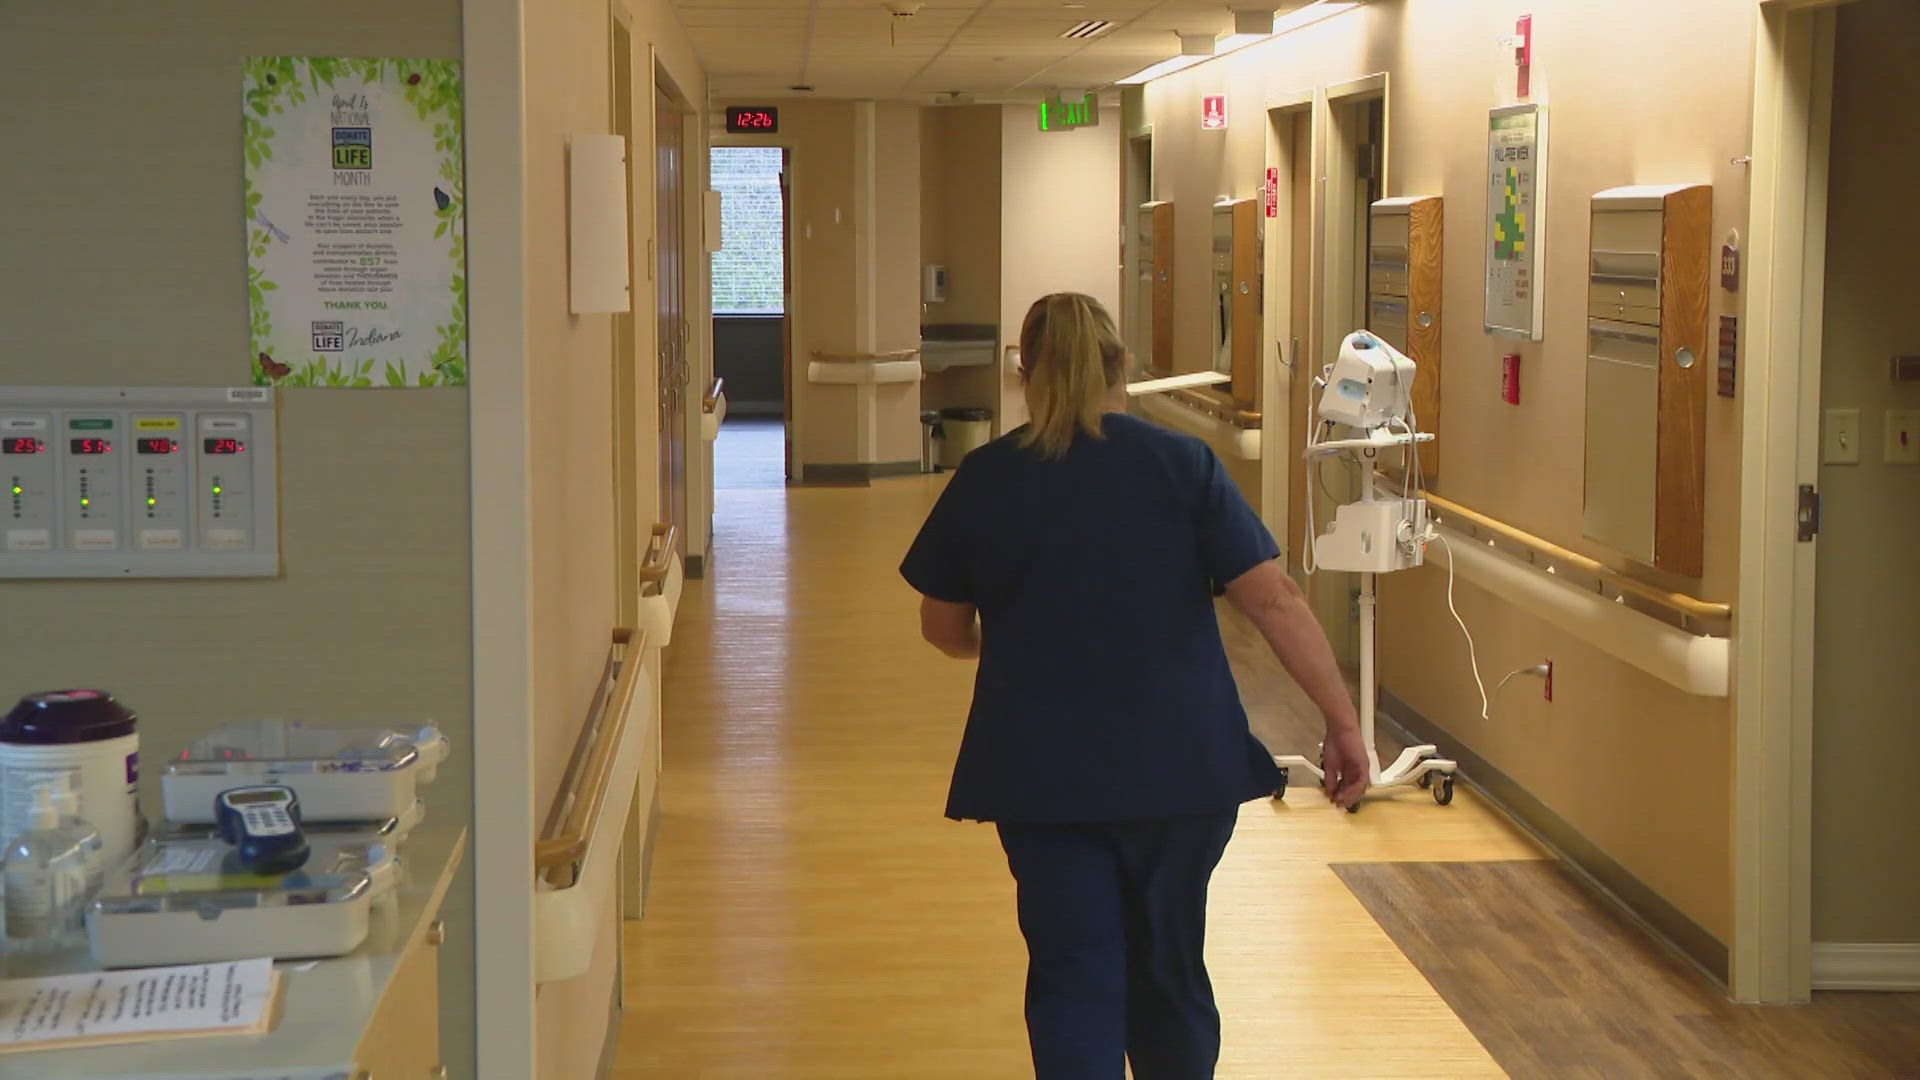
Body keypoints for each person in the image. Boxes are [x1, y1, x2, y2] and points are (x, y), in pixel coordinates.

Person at [899, 292, 1370, 1079]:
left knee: (1072, 973)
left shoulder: (987, 476)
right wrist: (1342, 719)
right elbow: (1274, 601)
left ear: (1024, 372)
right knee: (1169, 972)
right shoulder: (1182, 465)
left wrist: (1009, 643)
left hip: (1041, 776)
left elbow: (942, 627)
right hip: (1179, 771)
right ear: (1121, 369)